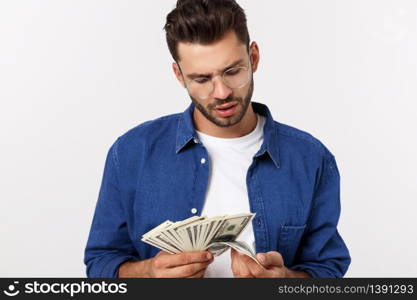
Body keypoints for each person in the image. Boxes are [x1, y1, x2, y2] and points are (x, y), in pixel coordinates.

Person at [84, 0, 351, 278]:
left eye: (232, 71)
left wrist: (284, 280)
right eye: (201, 79)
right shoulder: (131, 153)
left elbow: (327, 270)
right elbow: (100, 264)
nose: (221, 92)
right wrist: (149, 273)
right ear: (179, 75)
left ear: (254, 57)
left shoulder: (311, 159)